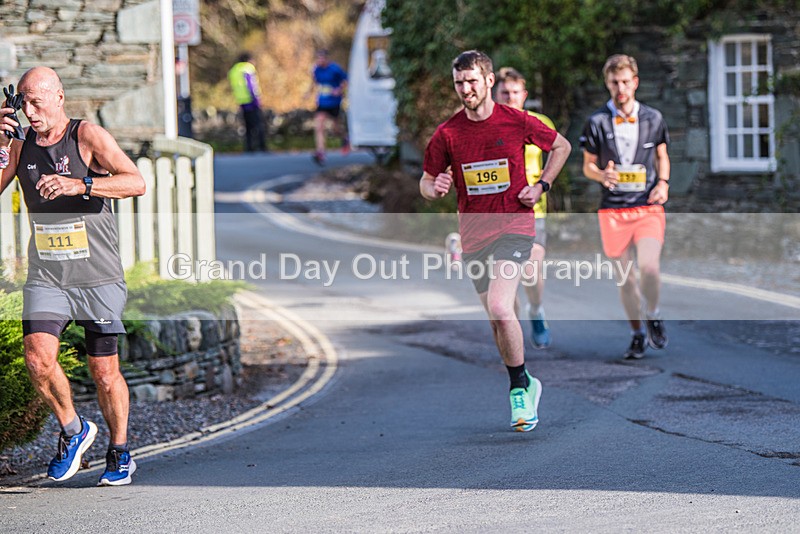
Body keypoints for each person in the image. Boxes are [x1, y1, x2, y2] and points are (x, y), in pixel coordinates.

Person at [0, 67, 146, 485]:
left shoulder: (87, 136)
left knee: (104, 372)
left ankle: (119, 451)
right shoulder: (19, 144)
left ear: (59, 97)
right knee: (37, 358)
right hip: (47, 276)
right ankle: (73, 429)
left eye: (37, 102)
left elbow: (135, 182)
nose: (30, 112)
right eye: (23, 103)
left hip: (97, 276)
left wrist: (80, 185)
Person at [420, 50, 571, 432]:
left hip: (514, 227)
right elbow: (426, 180)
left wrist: (542, 186)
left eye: (472, 81)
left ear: (489, 81)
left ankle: (519, 388)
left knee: (502, 308)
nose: (465, 89)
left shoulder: (516, 120)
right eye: (459, 82)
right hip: (474, 236)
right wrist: (434, 187)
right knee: (497, 320)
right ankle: (526, 380)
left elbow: (562, 146)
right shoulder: (448, 133)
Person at [580, 54, 670, 360]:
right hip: (613, 210)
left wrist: (663, 183)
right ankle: (637, 334)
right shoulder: (596, 121)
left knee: (650, 268)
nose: (620, 88)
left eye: (625, 81)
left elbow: (662, 156)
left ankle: (653, 313)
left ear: (635, 82)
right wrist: (601, 175)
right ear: (607, 83)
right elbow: (587, 166)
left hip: (647, 207)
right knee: (626, 279)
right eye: (614, 82)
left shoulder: (653, 118)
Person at [495, 67, 556, 349]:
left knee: (530, 271)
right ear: (495, 94)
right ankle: (513, 333)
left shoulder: (538, 122)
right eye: (504, 92)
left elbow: (559, 151)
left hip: (532, 209)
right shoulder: (487, 124)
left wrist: (543, 183)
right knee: (506, 279)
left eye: (515, 92)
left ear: (524, 95)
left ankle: (536, 310)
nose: (510, 98)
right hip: (496, 212)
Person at [309, 50, 349, 165]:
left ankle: (345, 138)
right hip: (322, 101)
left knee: (335, 128)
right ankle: (320, 152)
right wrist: (308, 93)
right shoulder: (316, 69)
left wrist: (339, 90)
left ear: (326, 58)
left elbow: (346, 80)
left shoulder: (335, 69)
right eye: (318, 58)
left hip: (334, 102)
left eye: (322, 58)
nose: (320, 60)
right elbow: (314, 82)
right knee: (319, 125)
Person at [227, 52, 267, 152]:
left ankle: (249, 147)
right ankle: (262, 146)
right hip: (251, 101)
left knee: (247, 126)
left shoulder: (234, 70)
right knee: (258, 124)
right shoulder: (247, 68)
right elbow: (251, 85)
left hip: (242, 101)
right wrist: (256, 99)